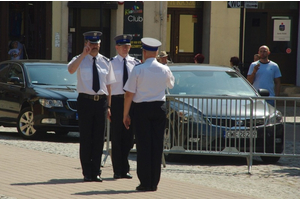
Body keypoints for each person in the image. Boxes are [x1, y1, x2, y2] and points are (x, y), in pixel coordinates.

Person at [123, 37, 175, 191]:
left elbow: (129, 94)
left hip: (142, 109)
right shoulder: (164, 68)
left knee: (143, 145)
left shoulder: (138, 69)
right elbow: (171, 84)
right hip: (159, 107)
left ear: (144, 52)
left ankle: (145, 181)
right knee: (157, 145)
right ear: (157, 52)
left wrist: (125, 114)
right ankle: (154, 182)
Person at [68, 31, 116, 182]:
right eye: (91, 43)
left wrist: (109, 106)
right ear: (86, 44)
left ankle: (96, 171)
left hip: (100, 102)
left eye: (97, 43)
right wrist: (83, 54)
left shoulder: (106, 62)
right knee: (86, 137)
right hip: (85, 101)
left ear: (100, 44)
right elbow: (70, 69)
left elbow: (108, 86)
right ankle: (87, 172)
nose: (94, 46)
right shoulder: (79, 59)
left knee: (98, 138)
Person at [109, 34, 141, 179]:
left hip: (131, 102)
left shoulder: (135, 63)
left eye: (127, 46)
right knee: (117, 137)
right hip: (116, 101)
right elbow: (108, 86)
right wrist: (108, 107)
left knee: (129, 137)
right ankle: (118, 169)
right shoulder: (111, 63)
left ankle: (125, 168)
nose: (125, 49)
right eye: (122, 47)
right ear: (117, 47)